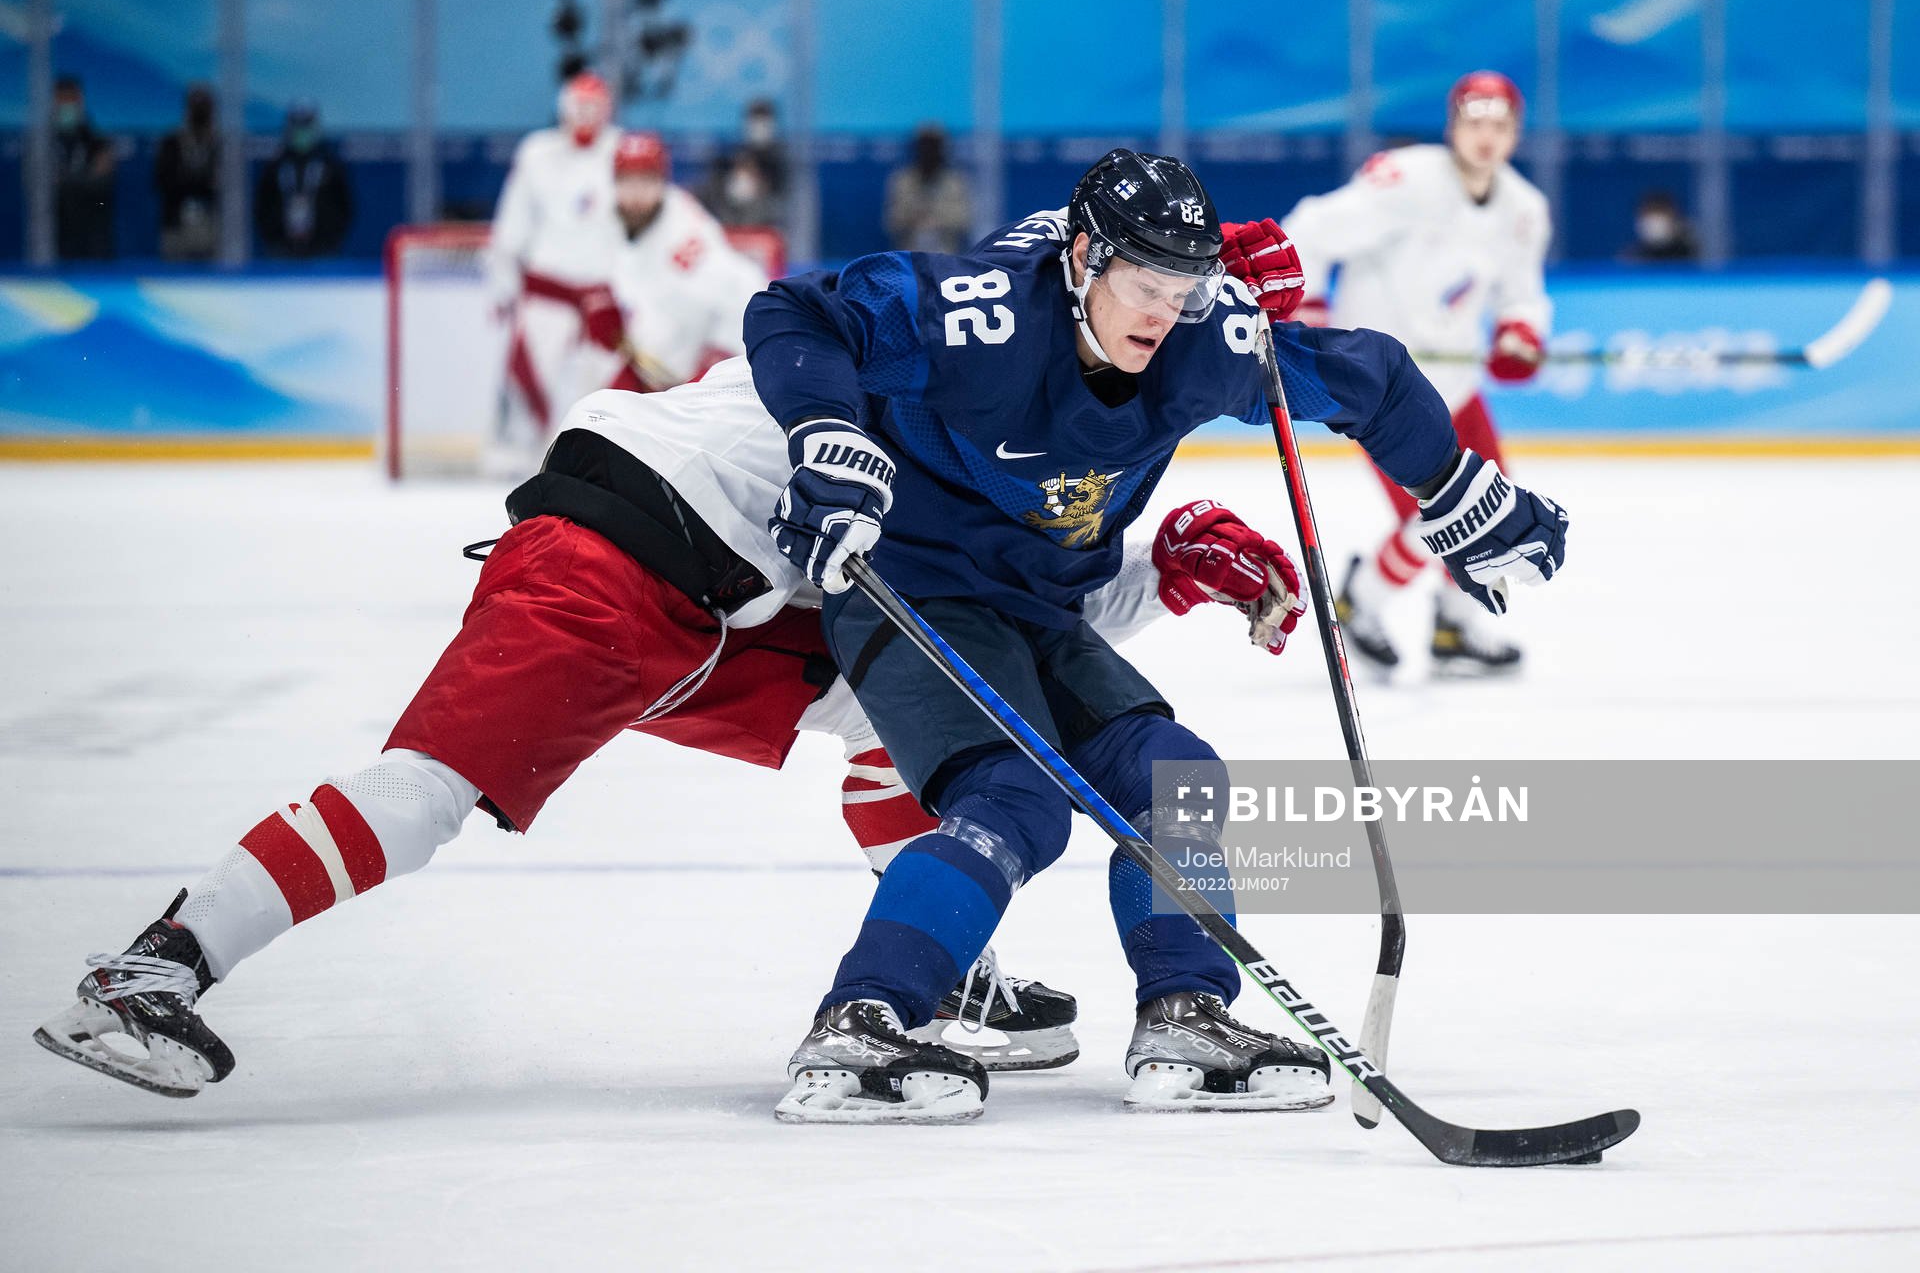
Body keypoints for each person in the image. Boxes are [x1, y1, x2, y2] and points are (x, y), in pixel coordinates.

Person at [30, 346, 1303, 1094]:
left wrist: (1161, 574)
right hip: (615, 561)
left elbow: (978, 624)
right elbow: (998, 597)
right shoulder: (957, 400)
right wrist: (1160, 574)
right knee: (428, 791)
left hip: (727, 598)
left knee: (898, 700)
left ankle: (944, 970)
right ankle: (153, 967)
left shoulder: (945, 365)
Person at [750, 148, 1569, 1122]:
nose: (1159, 313)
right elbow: (797, 312)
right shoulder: (988, 315)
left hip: (1038, 601)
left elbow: (1373, 379)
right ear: (1083, 257)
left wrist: (1452, 487)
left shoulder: (1202, 335)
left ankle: (1184, 1011)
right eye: (1142, 283)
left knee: (1175, 772)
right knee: (1014, 794)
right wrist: (825, 436)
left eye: (1183, 287)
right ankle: (861, 1016)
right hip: (915, 585)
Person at [1281, 71, 1552, 678]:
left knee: (1493, 512)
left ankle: (1454, 624)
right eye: (1474, 122)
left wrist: (1520, 333)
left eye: (1500, 125)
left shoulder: (1525, 211)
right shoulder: (1406, 180)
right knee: (1432, 518)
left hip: (1454, 385)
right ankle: (1363, 602)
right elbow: (1310, 229)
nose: (1486, 137)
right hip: (1384, 388)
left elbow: (1522, 294)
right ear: (1454, 125)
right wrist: (1311, 308)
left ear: (1515, 133)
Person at [483, 72, 623, 456]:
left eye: (594, 107)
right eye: (579, 106)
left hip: (602, 295)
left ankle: (596, 460)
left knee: (604, 390)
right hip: (548, 289)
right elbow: (513, 224)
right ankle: (518, 454)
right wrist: (502, 280)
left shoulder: (622, 151)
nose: (586, 115)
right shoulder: (536, 153)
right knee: (529, 379)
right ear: (563, 107)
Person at [579, 131, 770, 394]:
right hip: (646, 367)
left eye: (645, 182)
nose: (635, 195)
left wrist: (717, 361)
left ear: (662, 183)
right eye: (626, 182)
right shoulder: (610, 218)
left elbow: (745, 288)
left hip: (688, 381)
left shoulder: (685, 236)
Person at [254, 102, 353, 259]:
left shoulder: (330, 166)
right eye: (297, 126)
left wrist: (331, 240)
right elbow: (261, 207)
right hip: (281, 252)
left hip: (324, 251)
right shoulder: (275, 166)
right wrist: (274, 239)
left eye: (306, 126)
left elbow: (346, 207)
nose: (301, 132)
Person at [154, 83, 222, 260]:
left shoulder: (220, 145)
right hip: (176, 227)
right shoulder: (172, 143)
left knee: (214, 284)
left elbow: (225, 187)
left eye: (204, 107)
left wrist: (188, 180)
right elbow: (163, 181)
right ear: (187, 109)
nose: (199, 112)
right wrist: (203, 182)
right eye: (195, 107)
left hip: (211, 227)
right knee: (173, 282)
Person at [51, 75, 116, 261]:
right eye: (61, 100)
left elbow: (102, 185)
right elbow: (40, 187)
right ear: (53, 104)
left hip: (93, 236)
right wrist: (85, 179)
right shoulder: (43, 145)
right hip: (56, 236)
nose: (66, 106)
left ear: (80, 102)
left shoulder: (97, 142)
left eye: (71, 100)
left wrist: (64, 181)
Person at [884, 123, 972, 253]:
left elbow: (964, 221)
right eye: (924, 145)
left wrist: (936, 220)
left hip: (945, 256)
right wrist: (915, 217)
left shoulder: (955, 182)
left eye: (933, 146)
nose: (928, 151)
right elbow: (891, 221)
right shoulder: (902, 180)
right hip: (910, 257)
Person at [1622, 189, 1698, 263]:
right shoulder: (1630, 260)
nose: (1654, 222)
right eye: (1648, 213)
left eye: (1659, 212)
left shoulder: (1695, 258)